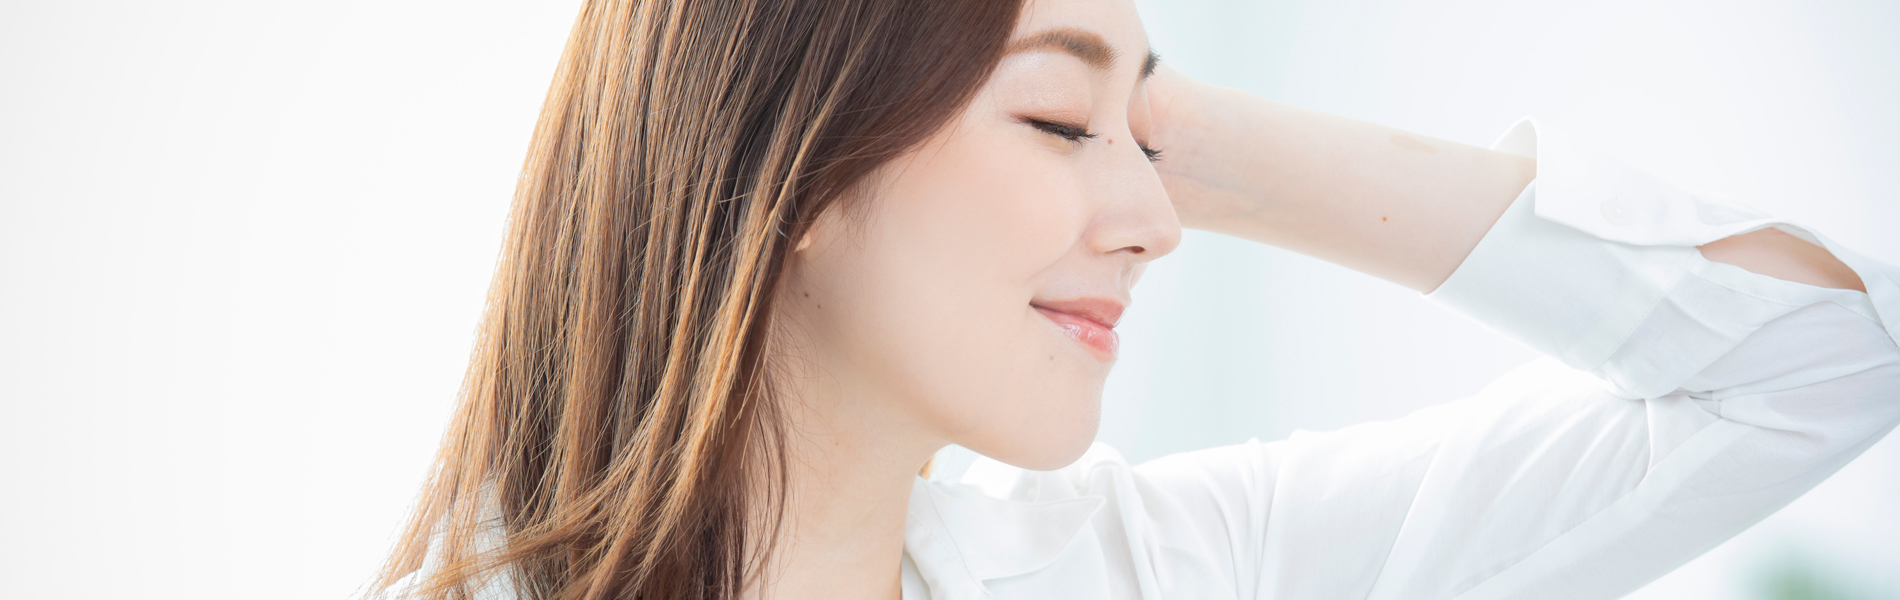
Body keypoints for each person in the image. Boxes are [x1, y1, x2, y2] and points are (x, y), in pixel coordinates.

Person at [372, 0, 1899, 598]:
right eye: (1055, 119)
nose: (1161, 226)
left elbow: (1821, 362)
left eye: (1150, 142)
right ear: (796, 166)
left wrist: (1194, 139)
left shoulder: (1165, 570)